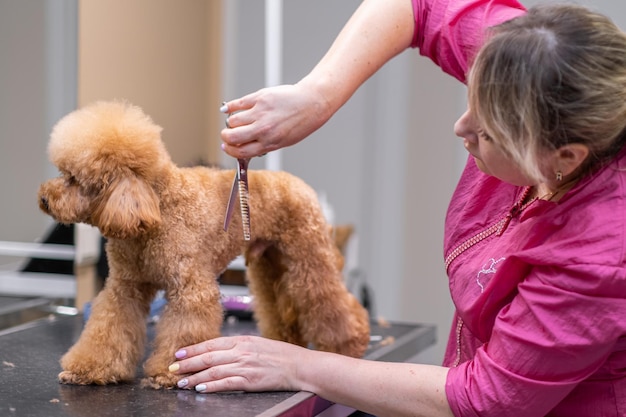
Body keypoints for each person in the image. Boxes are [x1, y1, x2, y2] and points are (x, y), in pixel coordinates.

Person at [167, 0, 626, 415]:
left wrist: (297, 366)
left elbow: (486, 398)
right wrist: (318, 95)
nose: (460, 128)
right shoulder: (530, 60)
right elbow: (418, 6)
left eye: (486, 134)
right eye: (470, 101)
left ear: (564, 157)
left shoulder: (601, 253)